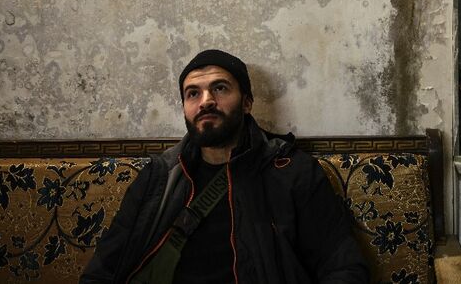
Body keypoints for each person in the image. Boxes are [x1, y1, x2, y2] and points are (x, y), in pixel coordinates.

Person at [80, 49, 369, 283]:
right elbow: (102, 270)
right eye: (193, 93)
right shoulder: (159, 176)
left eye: (219, 88)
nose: (206, 101)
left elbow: (342, 268)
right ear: (184, 108)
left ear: (246, 103)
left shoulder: (293, 172)